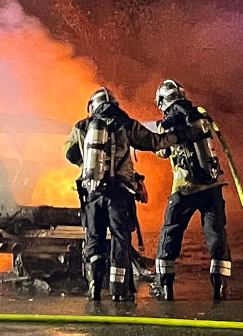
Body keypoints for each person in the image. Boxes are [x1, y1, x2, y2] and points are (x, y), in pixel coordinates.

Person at [65, 88, 189, 302]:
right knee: (120, 239)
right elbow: (153, 142)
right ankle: (118, 291)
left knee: (94, 239)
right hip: (119, 193)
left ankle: (94, 288)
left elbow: (69, 152)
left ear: (91, 107)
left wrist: (87, 166)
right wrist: (179, 136)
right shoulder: (125, 123)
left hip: (92, 193)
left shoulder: (82, 126)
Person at [151, 79, 232, 301]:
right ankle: (220, 288)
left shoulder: (168, 121)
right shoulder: (200, 115)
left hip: (185, 188)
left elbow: (162, 151)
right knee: (217, 237)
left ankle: (164, 287)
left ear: (162, 101)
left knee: (170, 234)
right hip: (212, 186)